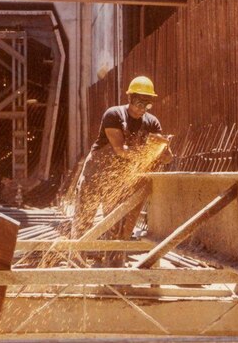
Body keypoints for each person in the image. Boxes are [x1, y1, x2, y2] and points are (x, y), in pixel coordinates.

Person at [72, 76, 172, 265]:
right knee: (85, 216)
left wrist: (164, 150)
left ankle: (114, 268)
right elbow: (120, 149)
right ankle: (76, 263)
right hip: (97, 171)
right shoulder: (114, 115)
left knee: (116, 222)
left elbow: (162, 153)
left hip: (119, 177)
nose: (141, 108)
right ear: (129, 98)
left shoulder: (152, 123)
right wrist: (146, 154)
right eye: (138, 102)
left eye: (146, 104)